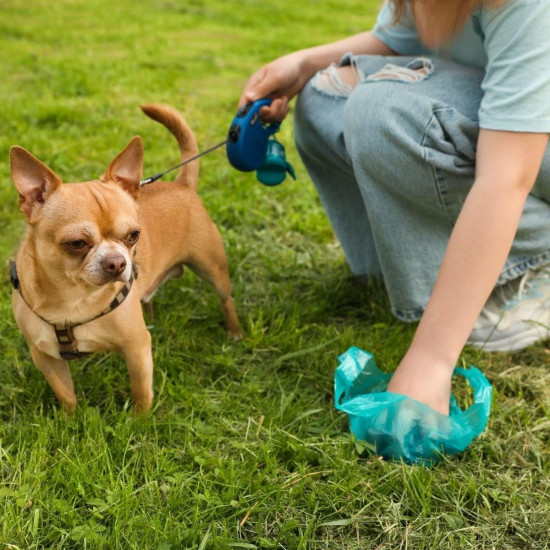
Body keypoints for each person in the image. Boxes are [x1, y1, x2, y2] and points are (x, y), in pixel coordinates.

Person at [239, 0, 550, 415]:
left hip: (528, 150)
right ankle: (423, 273)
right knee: (324, 93)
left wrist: (432, 361)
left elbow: (505, 178)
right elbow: (397, 39)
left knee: (381, 112)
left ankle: (532, 265)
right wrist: (303, 64)